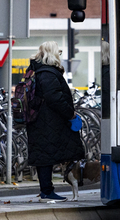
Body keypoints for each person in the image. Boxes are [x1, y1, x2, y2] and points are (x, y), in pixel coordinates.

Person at [26, 41, 85, 202]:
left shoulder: (37, 71)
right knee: (46, 156)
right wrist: (70, 114)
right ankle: (47, 191)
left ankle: (47, 190)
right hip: (48, 122)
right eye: (58, 53)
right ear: (53, 54)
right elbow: (55, 98)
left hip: (40, 120)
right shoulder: (48, 73)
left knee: (45, 155)